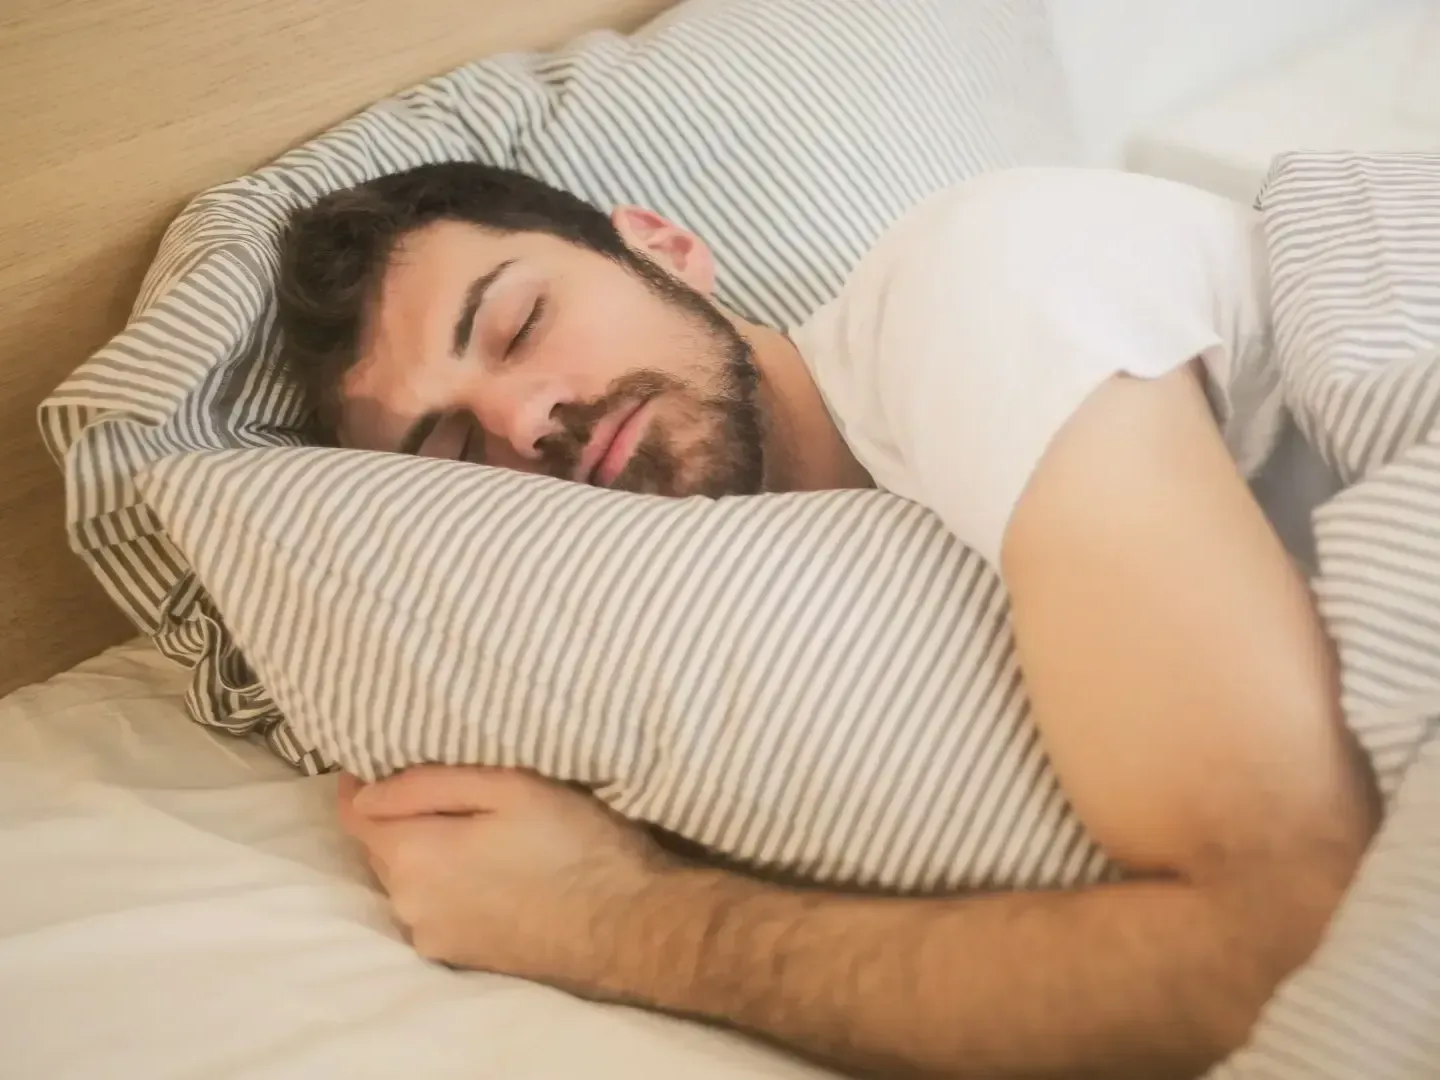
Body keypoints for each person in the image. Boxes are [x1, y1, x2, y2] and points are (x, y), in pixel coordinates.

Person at [276, 161, 1380, 1080]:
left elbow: (1292, 951)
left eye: (519, 323)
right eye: (457, 451)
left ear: (661, 247)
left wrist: (606, 919)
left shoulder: (977, 290)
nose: (525, 420)